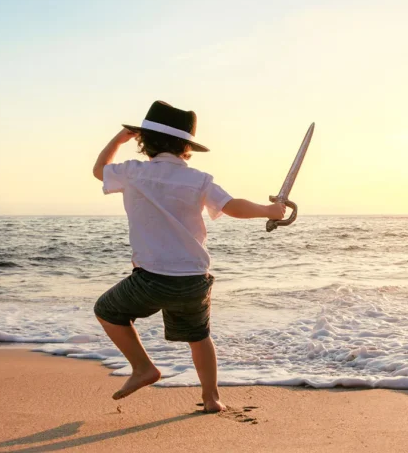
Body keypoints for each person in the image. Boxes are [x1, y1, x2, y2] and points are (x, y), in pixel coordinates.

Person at [91, 100, 285, 413]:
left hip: (151, 278)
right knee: (199, 337)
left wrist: (117, 140)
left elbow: (99, 171)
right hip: (194, 280)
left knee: (107, 310)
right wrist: (269, 210)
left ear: (144, 141)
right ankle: (211, 398)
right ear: (186, 147)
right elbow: (231, 205)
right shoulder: (198, 179)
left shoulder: (132, 172)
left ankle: (143, 368)